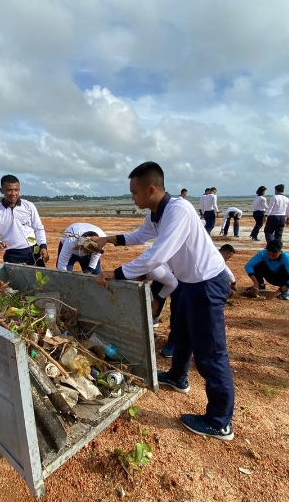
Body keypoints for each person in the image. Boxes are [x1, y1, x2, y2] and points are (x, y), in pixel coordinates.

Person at [93, 162, 235, 440]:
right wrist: (107, 239)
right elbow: (139, 236)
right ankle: (178, 377)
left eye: (134, 193)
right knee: (181, 334)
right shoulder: (156, 213)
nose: (132, 198)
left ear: (151, 189)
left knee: (211, 353)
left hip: (206, 284)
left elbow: (157, 254)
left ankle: (220, 421)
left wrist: (116, 273)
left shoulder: (178, 210)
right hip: (189, 283)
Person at [159, 244, 236, 358]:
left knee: (183, 314)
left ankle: (183, 345)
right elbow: (223, 267)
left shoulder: (190, 241)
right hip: (187, 281)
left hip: (184, 279)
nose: (227, 259)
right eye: (228, 257)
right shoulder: (201, 245)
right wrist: (233, 281)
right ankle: (178, 344)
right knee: (183, 314)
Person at [0, 175, 49, 266]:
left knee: (39, 279)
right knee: (16, 279)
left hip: (33, 252)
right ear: (1, 190)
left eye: (16, 190)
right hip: (12, 255)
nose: (13, 193)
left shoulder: (29, 206)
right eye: (9, 190)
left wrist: (43, 246)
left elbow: (38, 228)